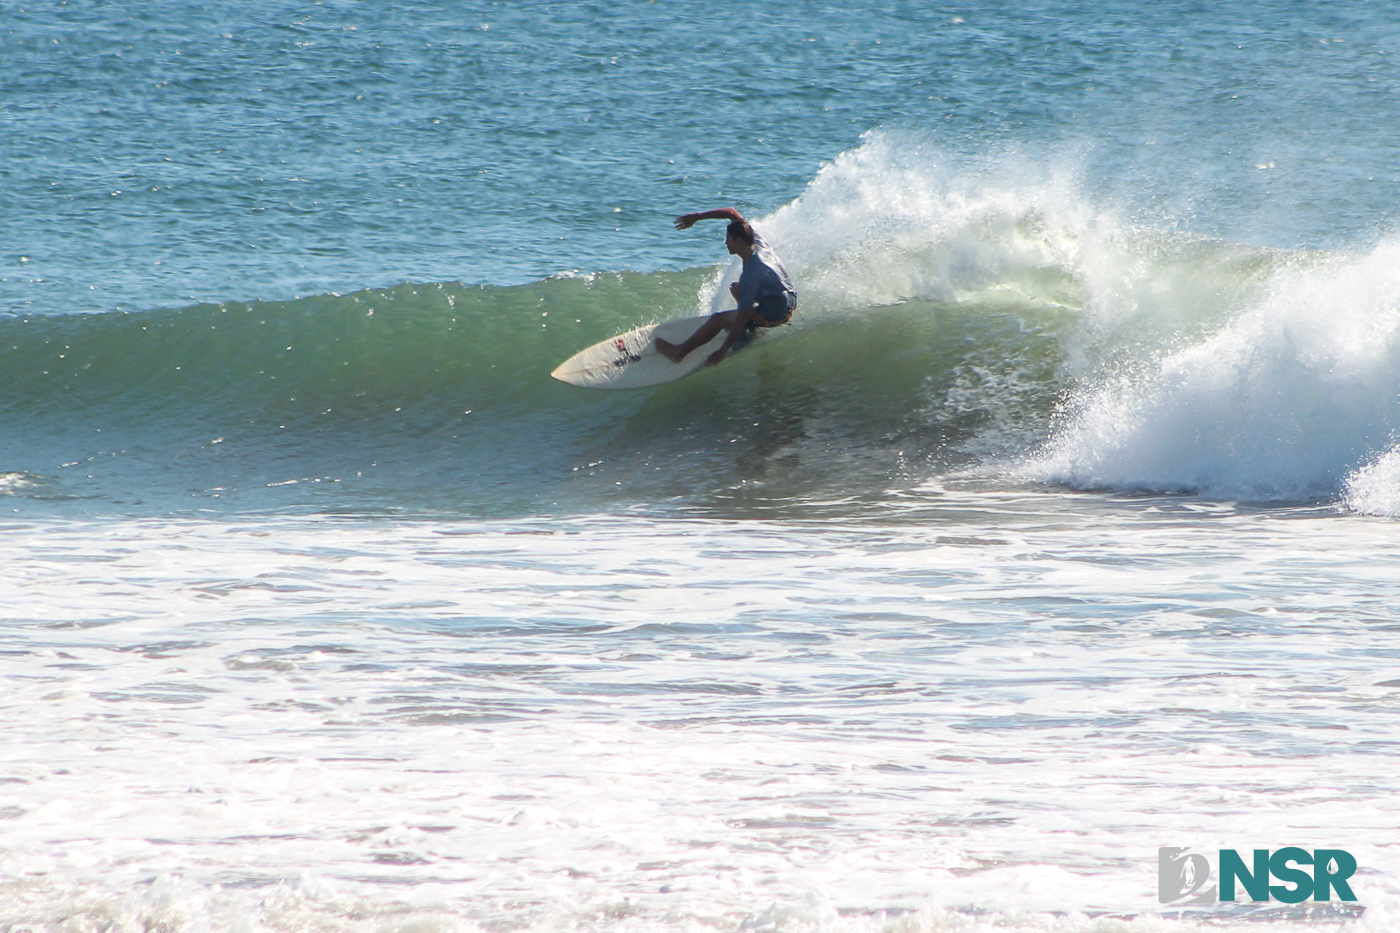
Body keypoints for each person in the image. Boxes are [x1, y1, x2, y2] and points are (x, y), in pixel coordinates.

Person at [655, 207, 796, 367]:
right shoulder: (755, 241)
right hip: (789, 297)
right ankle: (754, 328)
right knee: (736, 288)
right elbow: (731, 213)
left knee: (718, 320)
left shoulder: (754, 271)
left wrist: (724, 349)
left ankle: (679, 352)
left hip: (777, 312)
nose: (725, 242)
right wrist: (697, 216)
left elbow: (742, 315)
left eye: (728, 239)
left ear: (739, 241)